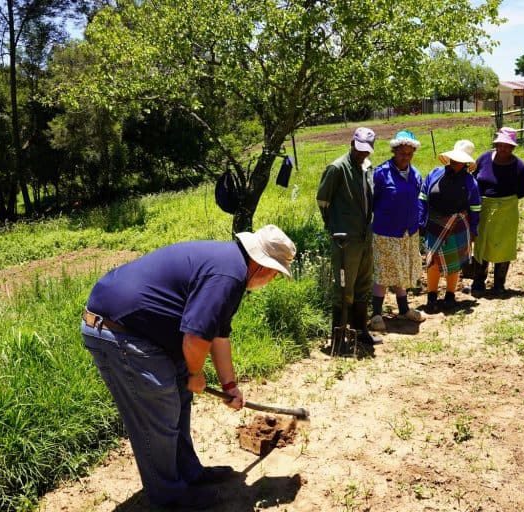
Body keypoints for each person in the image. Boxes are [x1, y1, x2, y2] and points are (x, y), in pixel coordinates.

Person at [80, 225, 296, 510]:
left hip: (148, 333)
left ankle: (190, 475)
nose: (272, 279)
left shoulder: (232, 268)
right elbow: (195, 340)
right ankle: (169, 499)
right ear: (261, 264)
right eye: (275, 273)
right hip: (119, 332)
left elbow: (218, 335)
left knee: (179, 402)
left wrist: (230, 386)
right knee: (158, 415)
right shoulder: (227, 275)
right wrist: (195, 374)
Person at [316, 127, 382, 345]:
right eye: (359, 148)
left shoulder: (367, 168)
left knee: (364, 284)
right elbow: (323, 202)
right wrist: (335, 227)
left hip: (365, 237)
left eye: (366, 150)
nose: (362, 153)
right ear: (352, 143)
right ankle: (338, 336)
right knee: (344, 287)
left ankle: (360, 332)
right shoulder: (337, 168)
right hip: (345, 239)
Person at [369, 130, 425, 331]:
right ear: (394, 151)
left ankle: (404, 309)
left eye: (409, 154)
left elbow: (418, 199)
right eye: (402, 153)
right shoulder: (381, 173)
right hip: (386, 232)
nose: (406, 157)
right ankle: (376, 314)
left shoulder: (416, 174)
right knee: (384, 272)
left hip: (409, 232)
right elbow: (370, 202)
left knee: (401, 270)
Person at [419, 140, 481, 313]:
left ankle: (450, 296)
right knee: (432, 262)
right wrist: (421, 221)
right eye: (453, 159)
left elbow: (475, 208)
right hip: (434, 224)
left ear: (466, 163)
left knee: (453, 264)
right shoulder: (435, 174)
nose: (455, 162)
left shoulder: (470, 182)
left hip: (458, 225)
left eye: (459, 160)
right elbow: (423, 198)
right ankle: (431, 297)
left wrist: (474, 229)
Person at [471, 127, 524, 295]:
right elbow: (472, 179)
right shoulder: (483, 158)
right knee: (482, 243)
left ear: (512, 147)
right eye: (500, 144)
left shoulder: (519, 165)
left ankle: (499, 284)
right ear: (496, 144)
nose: (503, 148)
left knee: (504, 245)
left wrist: (507, 200)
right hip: (483, 206)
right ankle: (478, 282)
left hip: (507, 209)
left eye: (507, 145)